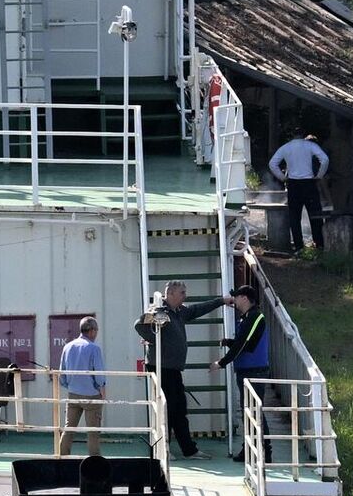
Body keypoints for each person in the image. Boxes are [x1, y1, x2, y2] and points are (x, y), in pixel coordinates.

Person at [136, 281, 226, 459]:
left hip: (172, 369)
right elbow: (139, 325)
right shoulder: (161, 312)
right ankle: (164, 448)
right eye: (182, 293)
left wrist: (221, 301)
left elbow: (197, 309)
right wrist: (153, 339)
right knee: (168, 408)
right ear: (170, 294)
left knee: (179, 408)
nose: (185, 296)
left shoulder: (178, 311)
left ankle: (189, 450)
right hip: (162, 368)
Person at [216, 286, 272, 463]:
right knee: (249, 412)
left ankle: (264, 451)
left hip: (254, 372)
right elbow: (245, 343)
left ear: (245, 298)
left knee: (254, 412)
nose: (234, 300)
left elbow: (244, 345)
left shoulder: (255, 317)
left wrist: (221, 363)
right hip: (247, 371)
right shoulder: (248, 317)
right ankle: (250, 449)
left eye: (237, 297)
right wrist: (229, 342)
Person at [268, 130, 330, 253]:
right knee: (315, 215)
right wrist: (319, 175)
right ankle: (319, 245)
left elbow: (272, 163)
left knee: (295, 217)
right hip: (309, 183)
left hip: (293, 184)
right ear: (303, 135)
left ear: (291, 136)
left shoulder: (286, 147)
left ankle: (298, 247)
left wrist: (282, 178)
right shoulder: (310, 145)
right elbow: (325, 159)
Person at [56, 316, 106, 456]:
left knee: (68, 430)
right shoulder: (94, 348)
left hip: (73, 394)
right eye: (96, 330)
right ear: (92, 331)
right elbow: (99, 375)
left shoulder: (68, 347)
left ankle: (62, 459)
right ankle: (94, 463)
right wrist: (102, 388)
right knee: (93, 432)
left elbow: (62, 374)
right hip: (92, 395)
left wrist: (70, 385)